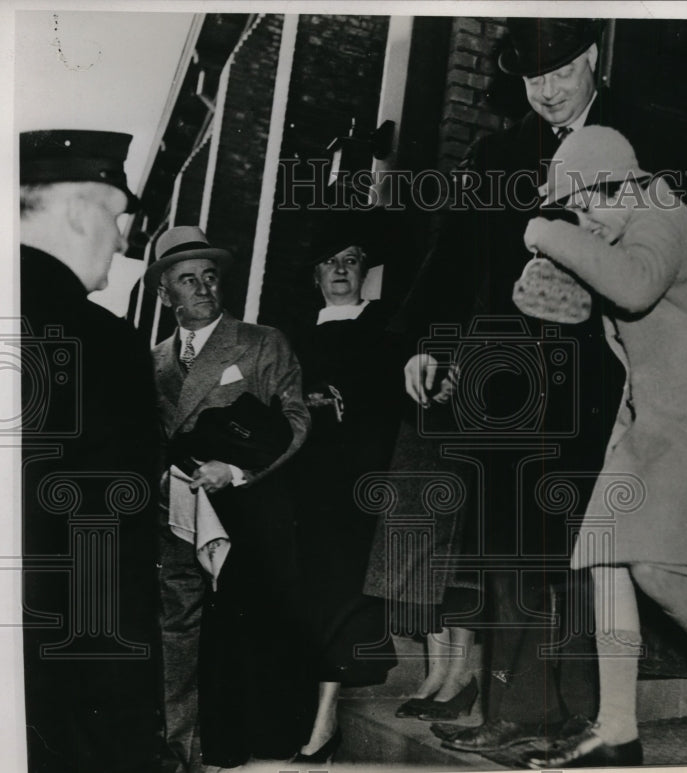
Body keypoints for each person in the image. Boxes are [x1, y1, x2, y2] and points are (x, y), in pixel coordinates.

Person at [392, 18, 687, 756]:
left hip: (614, 379)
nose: (547, 93)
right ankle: (515, 709)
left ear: (592, 58)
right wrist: (433, 344)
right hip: (508, 373)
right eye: (532, 80)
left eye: (560, 73)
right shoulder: (497, 152)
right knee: (509, 538)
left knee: (598, 546)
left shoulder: (656, 134)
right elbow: (454, 258)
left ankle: (585, 712)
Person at [520, 125, 687, 768]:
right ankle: (618, 729)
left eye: (588, 204)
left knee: (653, 565)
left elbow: (635, 288)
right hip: (651, 413)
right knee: (603, 552)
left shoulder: (657, 209)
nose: (583, 220)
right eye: (573, 211)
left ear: (622, 184)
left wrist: (544, 231)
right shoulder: (625, 224)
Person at [19, 129, 161, 773]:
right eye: (116, 215)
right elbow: (105, 557)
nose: (125, 239)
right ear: (77, 209)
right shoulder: (102, 343)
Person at [147, 225, 311, 769]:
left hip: (247, 516)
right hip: (177, 519)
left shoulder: (262, 342)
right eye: (187, 280)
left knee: (244, 636)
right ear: (164, 293)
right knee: (178, 633)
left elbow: (295, 420)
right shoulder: (153, 361)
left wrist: (237, 470)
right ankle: (181, 746)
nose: (203, 289)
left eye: (210, 277)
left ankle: (237, 746)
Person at [286, 216, 401, 763]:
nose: (340, 269)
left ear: (364, 272)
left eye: (351, 260)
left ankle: (325, 718)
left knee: (340, 594)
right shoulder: (290, 338)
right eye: (330, 261)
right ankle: (301, 709)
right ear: (315, 274)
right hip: (302, 488)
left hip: (357, 487)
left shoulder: (382, 330)